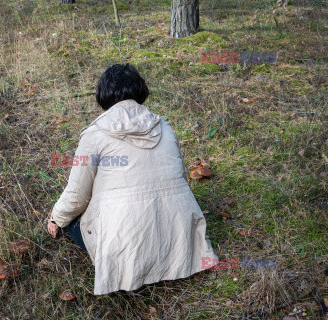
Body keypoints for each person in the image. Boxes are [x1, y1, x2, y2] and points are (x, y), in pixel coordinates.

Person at [47, 63, 219, 295]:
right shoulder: (166, 128)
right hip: (179, 239)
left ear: (102, 95)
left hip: (127, 242)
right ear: (140, 91)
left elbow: (77, 195)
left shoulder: (94, 135)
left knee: (72, 221)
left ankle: (129, 269)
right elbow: (180, 181)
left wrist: (57, 218)